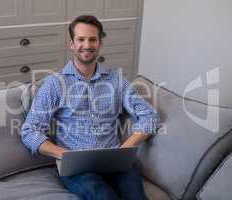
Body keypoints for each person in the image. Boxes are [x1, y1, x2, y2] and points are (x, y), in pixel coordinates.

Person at [21, 15, 161, 200]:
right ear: (71, 43)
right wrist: (64, 154)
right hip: (77, 168)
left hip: (115, 161)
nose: (87, 45)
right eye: (81, 39)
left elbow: (150, 116)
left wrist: (124, 150)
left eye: (92, 39)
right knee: (103, 196)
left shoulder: (117, 81)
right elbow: (30, 131)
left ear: (100, 43)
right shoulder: (55, 83)